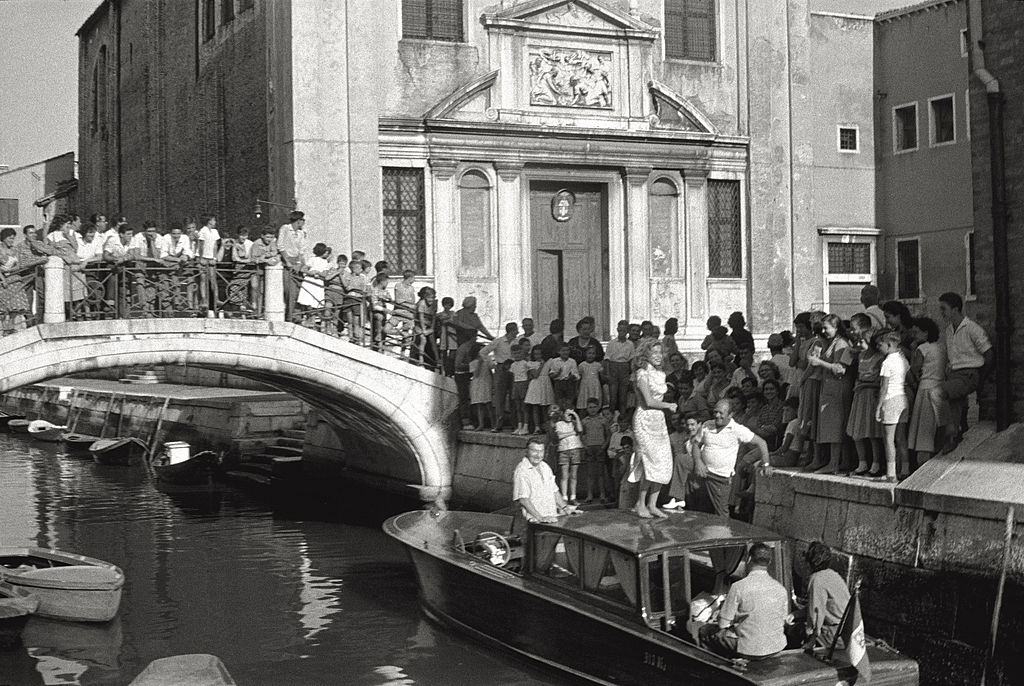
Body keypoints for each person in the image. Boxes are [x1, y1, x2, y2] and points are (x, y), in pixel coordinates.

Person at [700, 543, 789, 660]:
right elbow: (782, 619)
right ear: (770, 562)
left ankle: (715, 666)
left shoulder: (738, 587)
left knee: (704, 631)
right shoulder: (781, 589)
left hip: (749, 649)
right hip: (777, 646)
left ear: (749, 559)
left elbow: (722, 624)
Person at [691, 399, 770, 517]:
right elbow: (696, 445)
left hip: (720, 477)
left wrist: (766, 464)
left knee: (721, 513)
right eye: (715, 412)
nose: (717, 415)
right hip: (703, 472)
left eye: (721, 413)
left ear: (730, 414)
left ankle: (723, 533)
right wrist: (698, 461)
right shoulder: (707, 425)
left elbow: (762, 443)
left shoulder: (737, 429)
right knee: (682, 461)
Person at [937, 292, 993, 454]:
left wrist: (980, 378)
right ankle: (958, 431)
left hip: (969, 374)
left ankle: (951, 433)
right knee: (954, 401)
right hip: (955, 375)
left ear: (955, 309)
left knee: (939, 392)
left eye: (943, 308)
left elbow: (988, 353)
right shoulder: (949, 330)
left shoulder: (971, 328)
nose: (941, 312)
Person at [628, 339, 677, 519]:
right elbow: (648, 401)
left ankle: (652, 504)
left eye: (659, 352)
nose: (657, 356)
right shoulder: (642, 374)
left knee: (663, 462)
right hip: (645, 419)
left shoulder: (659, 373)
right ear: (645, 354)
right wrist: (668, 405)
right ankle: (640, 503)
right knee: (650, 462)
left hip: (658, 421)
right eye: (653, 353)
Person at [805, 314, 855, 474]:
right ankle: (843, 461)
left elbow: (841, 369)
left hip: (837, 388)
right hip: (830, 388)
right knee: (836, 425)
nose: (824, 331)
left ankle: (833, 464)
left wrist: (819, 362)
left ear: (836, 327)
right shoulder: (831, 342)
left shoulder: (841, 344)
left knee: (835, 426)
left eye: (827, 328)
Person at [846, 313, 884, 477]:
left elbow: (880, 381)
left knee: (873, 433)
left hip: (872, 396)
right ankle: (862, 463)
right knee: (857, 431)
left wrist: (865, 384)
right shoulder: (860, 355)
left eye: (862, 341)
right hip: (860, 396)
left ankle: (875, 464)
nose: (859, 343)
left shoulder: (879, 358)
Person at [907, 317, 946, 466]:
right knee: (937, 426)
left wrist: (912, 352)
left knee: (924, 429)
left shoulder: (921, 349)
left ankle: (923, 463)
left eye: (917, 332)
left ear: (926, 332)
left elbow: (913, 370)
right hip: (941, 387)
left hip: (925, 389)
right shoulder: (941, 347)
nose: (914, 335)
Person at [512, 437, 575, 523]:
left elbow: (554, 491)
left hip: (552, 518)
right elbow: (523, 499)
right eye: (534, 451)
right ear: (526, 451)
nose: (538, 455)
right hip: (534, 522)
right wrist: (540, 518)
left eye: (541, 451)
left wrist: (565, 508)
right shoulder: (522, 471)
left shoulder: (545, 466)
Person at [875, 329, 910, 481]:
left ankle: (891, 473)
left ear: (889, 345)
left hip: (890, 400)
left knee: (888, 439)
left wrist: (878, 407)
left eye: (880, 344)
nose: (878, 347)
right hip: (902, 398)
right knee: (901, 438)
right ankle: (905, 469)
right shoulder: (902, 359)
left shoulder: (887, 362)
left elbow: (884, 387)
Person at [802, 542, 850, 650]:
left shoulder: (816, 579)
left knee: (796, 631)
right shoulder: (833, 574)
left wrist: (811, 638)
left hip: (833, 634)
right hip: (846, 629)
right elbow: (825, 604)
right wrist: (796, 614)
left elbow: (816, 612)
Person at [483, 322, 519, 432]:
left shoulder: (516, 342)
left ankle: (514, 423)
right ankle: (498, 424)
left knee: (514, 396)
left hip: (514, 367)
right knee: (500, 397)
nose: (517, 332)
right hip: (501, 368)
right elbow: (483, 352)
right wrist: (492, 365)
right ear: (511, 331)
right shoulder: (498, 341)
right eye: (515, 330)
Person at [278, 210, 309, 319]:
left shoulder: (301, 233)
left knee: (298, 290)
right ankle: (289, 316)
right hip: (287, 261)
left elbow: (302, 250)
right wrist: (287, 261)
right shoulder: (285, 228)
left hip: (297, 262)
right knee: (288, 290)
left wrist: (299, 263)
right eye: (302, 220)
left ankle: (297, 315)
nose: (303, 222)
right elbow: (280, 246)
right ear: (298, 220)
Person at [580, 398, 610, 502]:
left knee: (601, 473)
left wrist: (603, 447)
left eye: (594, 407)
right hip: (589, 448)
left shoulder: (603, 420)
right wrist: (585, 446)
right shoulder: (584, 421)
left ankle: (602, 495)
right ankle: (589, 495)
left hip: (600, 447)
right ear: (587, 408)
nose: (592, 409)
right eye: (590, 407)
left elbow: (608, 435)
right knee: (590, 473)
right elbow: (581, 435)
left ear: (598, 407)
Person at [553, 406, 584, 504]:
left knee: (574, 475)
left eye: (571, 415)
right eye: (567, 414)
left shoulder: (574, 423)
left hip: (575, 449)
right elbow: (560, 436)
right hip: (564, 450)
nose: (569, 416)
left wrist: (576, 416)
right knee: (564, 475)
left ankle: (573, 497)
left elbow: (579, 429)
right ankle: (564, 497)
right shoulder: (559, 424)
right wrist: (572, 433)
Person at [604, 319, 634, 419]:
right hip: (613, 368)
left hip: (624, 369)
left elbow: (631, 361)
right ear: (617, 330)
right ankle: (611, 419)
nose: (622, 332)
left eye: (624, 330)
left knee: (623, 397)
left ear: (627, 331)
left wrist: (630, 375)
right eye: (620, 330)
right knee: (613, 397)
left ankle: (622, 418)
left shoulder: (630, 344)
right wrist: (608, 373)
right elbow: (607, 359)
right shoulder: (611, 343)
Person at [524, 345, 554, 433]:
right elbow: (535, 375)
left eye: (540, 354)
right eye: (536, 354)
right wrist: (542, 365)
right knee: (535, 406)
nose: (538, 356)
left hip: (545, 383)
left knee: (545, 407)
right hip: (536, 384)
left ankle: (547, 426)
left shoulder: (549, 361)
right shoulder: (531, 363)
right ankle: (537, 427)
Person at [547, 343, 579, 410]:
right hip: (559, 383)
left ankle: (568, 417)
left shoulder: (572, 361)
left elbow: (576, 375)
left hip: (569, 383)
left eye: (567, 350)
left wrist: (572, 376)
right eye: (563, 350)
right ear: (559, 351)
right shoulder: (554, 361)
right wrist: (557, 374)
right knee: (559, 403)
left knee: (569, 403)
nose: (565, 352)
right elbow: (551, 374)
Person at [469, 342, 493, 430]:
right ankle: (481, 424)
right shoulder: (472, 363)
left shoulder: (488, 360)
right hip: (477, 384)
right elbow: (476, 374)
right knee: (479, 405)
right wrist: (479, 362)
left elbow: (491, 370)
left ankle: (493, 424)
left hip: (486, 382)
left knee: (488, 404)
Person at [509, 344, 532, 435]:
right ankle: (519, 426)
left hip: (524, 383)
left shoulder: (525, 363)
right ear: (512, 354)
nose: (517, 355)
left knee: (524, 407)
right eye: (515, 353)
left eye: (519, 353)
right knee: (518, 407)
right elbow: (512, 376)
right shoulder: (513, 365)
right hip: (516, 384)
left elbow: (529, 374)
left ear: (522, 353)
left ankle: (526, 427)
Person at [412, 286, 438, 368]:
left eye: (433, 298)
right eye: (430, 298)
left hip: (429, 325)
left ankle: (437, 360)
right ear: (425, 297)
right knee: (423, 339)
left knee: (433, 341)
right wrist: (424, 330)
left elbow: (434, 316)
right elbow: (421, 318)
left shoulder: (434, 304)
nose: (431, 300)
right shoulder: (421, 303)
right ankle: (421, 360)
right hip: (419, 325)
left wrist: (432, 328)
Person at [576, 345, 604, 410]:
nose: (591, 355)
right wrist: (577, 389)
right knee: (584, 402)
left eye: (593, 353)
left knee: (595, 400)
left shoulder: (598, 365)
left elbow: (601, 377)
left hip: (595, 386)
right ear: (585, 354)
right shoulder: (582, 365)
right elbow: (579, 378)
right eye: (589, 353)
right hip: (585, 387)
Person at [436, 297, 457, 376]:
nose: (447, 306)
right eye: (445, 305)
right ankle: (443, 370)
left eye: (449, 305)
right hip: (444, 335)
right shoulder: (441, 314)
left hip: (452, 336)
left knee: (452, 355)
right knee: (443, 354)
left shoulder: (454, 314)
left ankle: (450, 371)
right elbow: (441, 319)